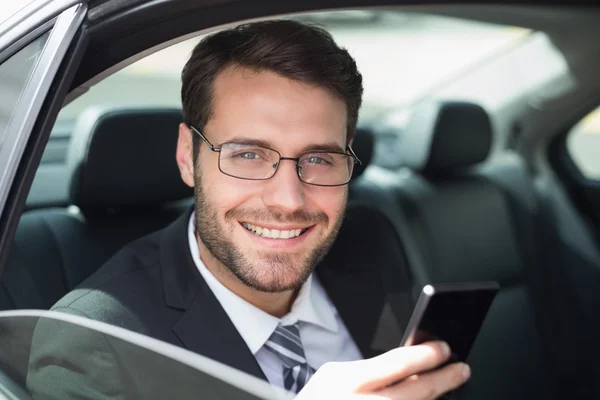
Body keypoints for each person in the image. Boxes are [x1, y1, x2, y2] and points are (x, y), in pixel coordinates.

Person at [27, 20, 470, 399]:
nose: (288, 200)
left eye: (318, 159)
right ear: (187, 156)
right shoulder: (92, 344)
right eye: (248, 155)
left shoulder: (371, 240)